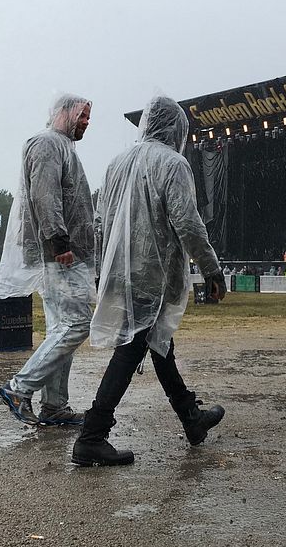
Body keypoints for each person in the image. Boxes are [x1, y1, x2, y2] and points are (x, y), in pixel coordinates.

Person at [71, 96, 227, 467]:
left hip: (121, 271)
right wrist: (212, 269)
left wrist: (104, 267)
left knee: (158, 344)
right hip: (152, 274)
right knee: (133, 348)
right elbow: (187, 222)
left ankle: (192, 419)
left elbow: (101, 221)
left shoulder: (117, 163)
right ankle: (92, 436)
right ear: (176, 129)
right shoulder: (173, 164)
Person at [0, 94, 95, 426]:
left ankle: (55, 406)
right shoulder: (48, 143)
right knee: (77, 325)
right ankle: (19, 388)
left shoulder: (63, 147)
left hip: (66, 253)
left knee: (61, 329)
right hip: (60, 255)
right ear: (62, 112)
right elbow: (44, 194)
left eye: (88, 117)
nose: (86, 121)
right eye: (82, 114)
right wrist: (58, 241)